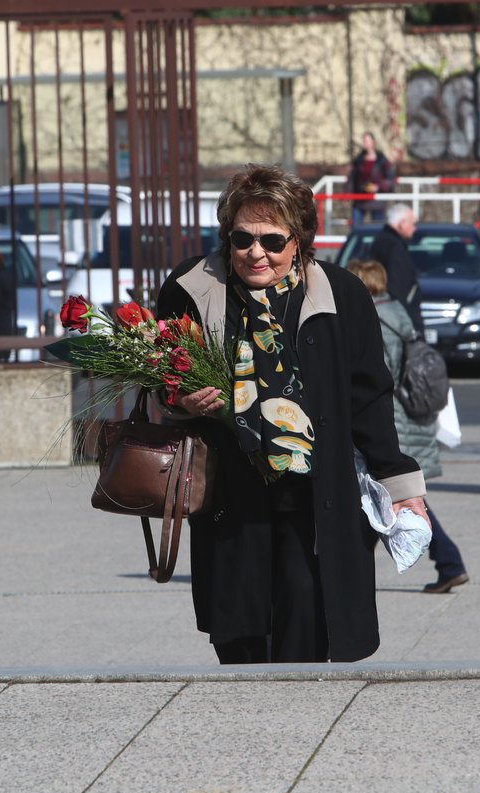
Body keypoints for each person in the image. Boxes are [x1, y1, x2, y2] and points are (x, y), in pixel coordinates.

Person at [155, 164, 428, 665]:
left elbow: (369, 400)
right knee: (238, 640)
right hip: (230, 503)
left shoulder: (341, 295)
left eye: (272, 241)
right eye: (242, 238)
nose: (256, 253)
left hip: (314, 505)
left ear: (300, 241)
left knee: (306, 638)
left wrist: (404, 491)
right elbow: (159, 380)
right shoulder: (190, 290)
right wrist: (178, 402)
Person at [346, 258, 469, 594]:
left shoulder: (375, 319)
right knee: (385, 498)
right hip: (408, 415)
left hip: (392, 420)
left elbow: (374, 376)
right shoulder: (398, 311)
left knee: (397, 497)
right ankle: (351, 574)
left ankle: (449, 561)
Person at [367, 203, 423, 332]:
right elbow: (398, 288)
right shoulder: (395, 247)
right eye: (413, 224)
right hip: (396, 319)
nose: (415, 229)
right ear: (402, 223)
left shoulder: (379, 241)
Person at [345, 131, 396, 228]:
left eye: (366, 140)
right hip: (360, 198)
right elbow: (352, 178)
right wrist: (347, 194)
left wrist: (378, 187)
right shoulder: (358, 160)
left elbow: (390, 179)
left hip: (377, 199)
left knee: (377, 228)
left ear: (373, 142)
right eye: (363, 141)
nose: (364, 143)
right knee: (356, 227)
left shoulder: (382, 160)